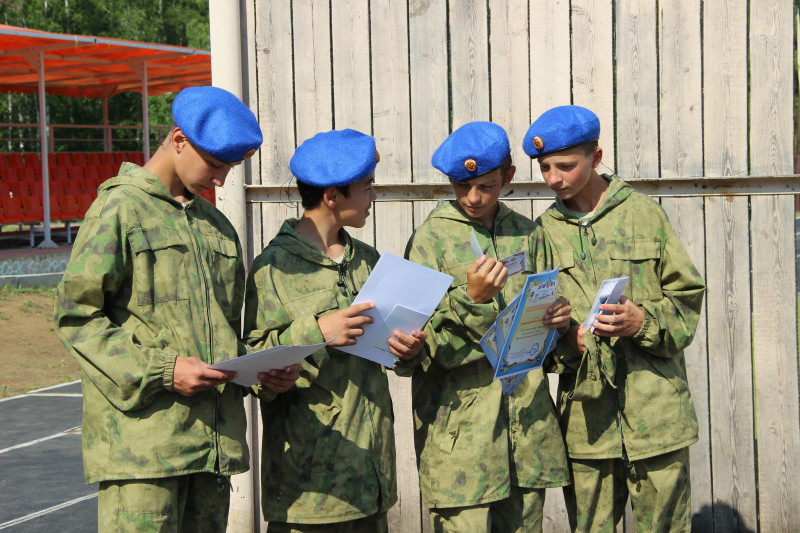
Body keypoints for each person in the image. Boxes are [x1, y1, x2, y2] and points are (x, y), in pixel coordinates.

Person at [54, 85, 299, 532]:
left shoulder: (216, 227)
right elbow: (77, 318)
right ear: (179, 139)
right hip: (144, 453)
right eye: (216, 165)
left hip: (210, 451)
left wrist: (262, 371)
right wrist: (165, 370)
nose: (221, 181)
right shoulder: (118, 210)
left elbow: (226, 332)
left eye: (230, 168)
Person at [523, 105, 706, 532]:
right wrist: (568, 341)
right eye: (545, 167)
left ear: (596, 157)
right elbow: (533, 331)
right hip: (588, 425)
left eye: (566, 166)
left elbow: (687, 298)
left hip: (657, 417)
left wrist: (641, 321)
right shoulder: (542, 234)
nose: (554, 178)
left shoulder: (644, 215)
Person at [242, 128, 427, 532]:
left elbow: (394, 354)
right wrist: (318, 333)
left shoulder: (368, 261)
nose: (373, 196)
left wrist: (408, 349)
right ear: (332, 196)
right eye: (367, 186)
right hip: (309, 491)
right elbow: (254, 369)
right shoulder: (274, 268)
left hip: (371, 477)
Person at [403, 121, 571, 533]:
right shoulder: (430, 241)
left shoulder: (529, 235)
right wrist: (472, 300)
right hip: (462, 441)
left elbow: (547, 319)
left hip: (527, 434)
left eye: (487, 186)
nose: (474, 198)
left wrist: (559, 321)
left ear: (508, 177)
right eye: (462, 186)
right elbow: (421, 346)